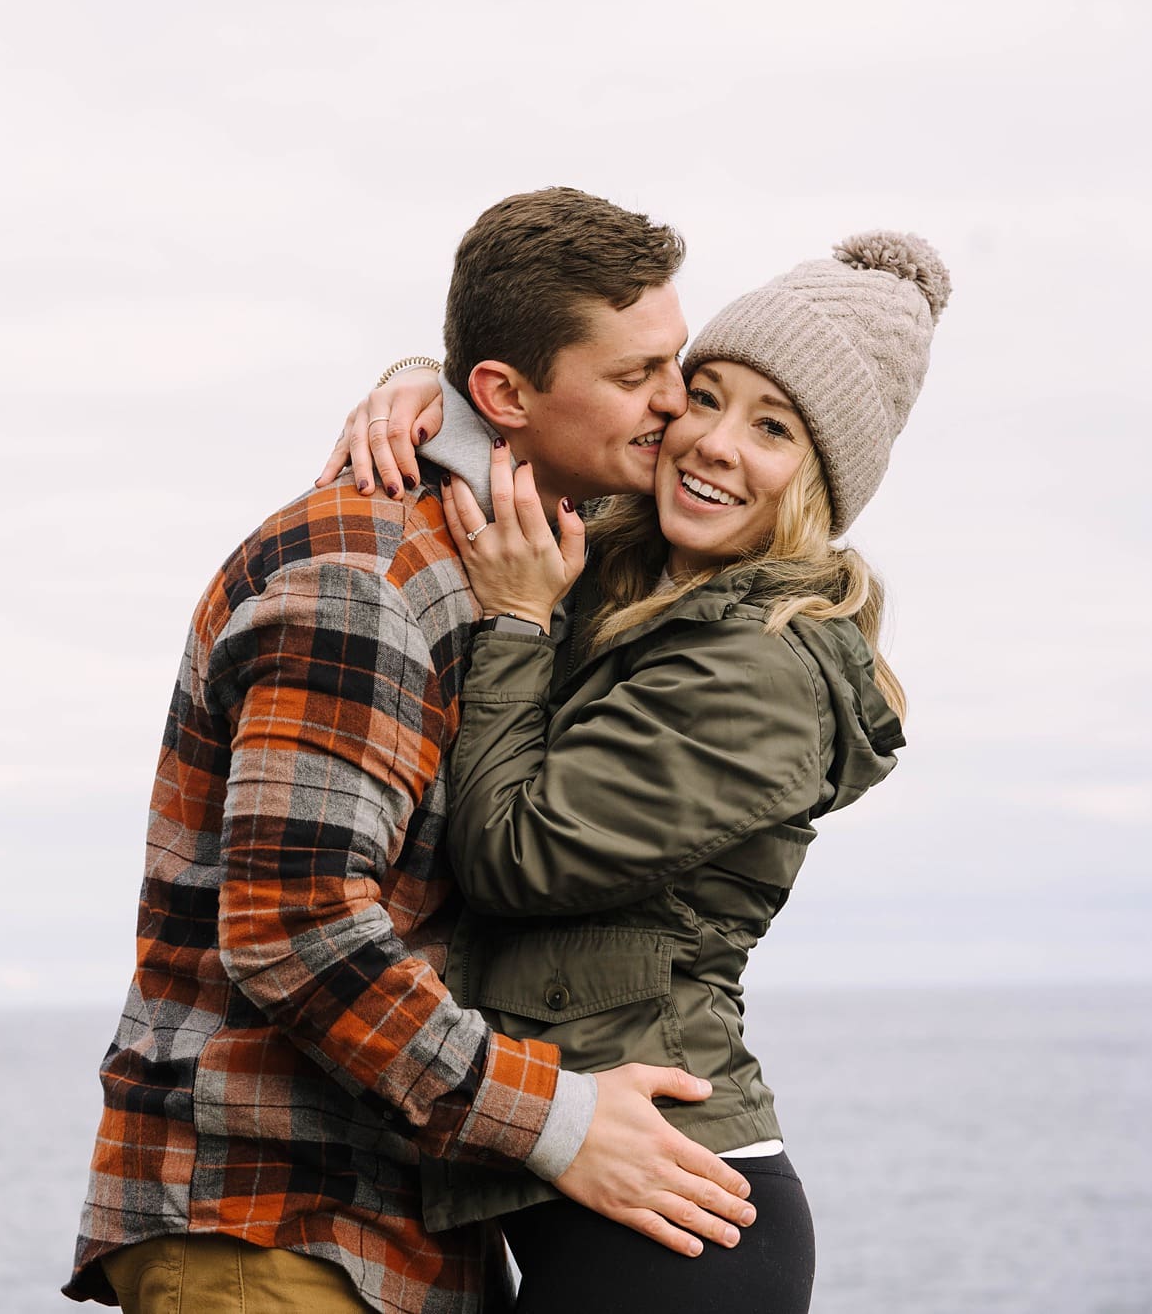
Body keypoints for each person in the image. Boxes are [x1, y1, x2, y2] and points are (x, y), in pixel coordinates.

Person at [64, 189, 759, 1314]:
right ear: (505, 394)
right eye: (638, 375)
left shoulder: (524, 547)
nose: (675, 404)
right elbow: (293, 928)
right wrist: (561, 1121)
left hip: (388, 1232)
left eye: (673, 364)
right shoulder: (365, 575)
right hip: (271, 1223)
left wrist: (420, 383)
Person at [341, 232, 947, 1311]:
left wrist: (518, 623)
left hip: (678, 1220)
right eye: (703, 397)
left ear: (821, 480)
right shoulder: (629, 571)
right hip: (593, 1186)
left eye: (771, 428)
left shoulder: (762, 670)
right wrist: (423, 386)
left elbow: (513, 856)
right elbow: (527, 421)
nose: (713, 442)